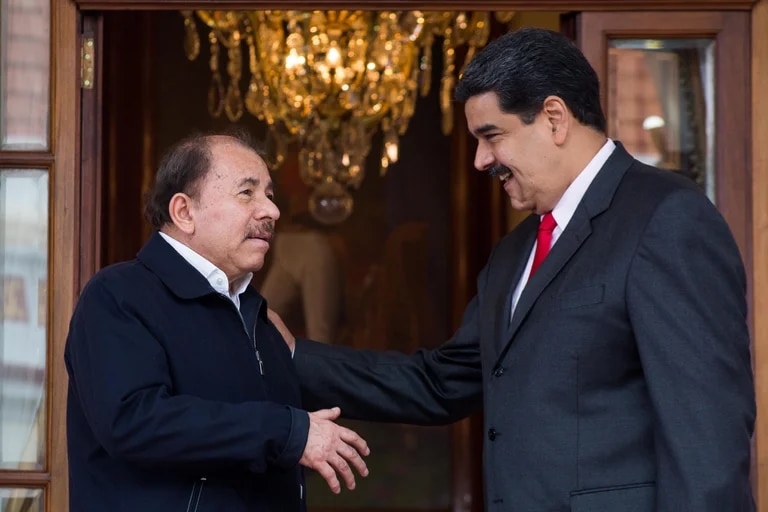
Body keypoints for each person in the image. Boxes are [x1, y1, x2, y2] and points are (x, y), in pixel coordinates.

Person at [273, 28, 756, 511]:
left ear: (554, 118)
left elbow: (707, 439)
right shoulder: (514, 251)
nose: (482, 160)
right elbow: (441, 383)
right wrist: (295, 356)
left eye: (492, 136)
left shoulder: (667, 218)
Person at [64, 131, 370, 512]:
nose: (271, 211)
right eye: (247, 193)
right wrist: (287, 431)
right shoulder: (118, 295)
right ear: (184, 212)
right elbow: (134, 422)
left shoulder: (257, 313)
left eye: (270, 195)